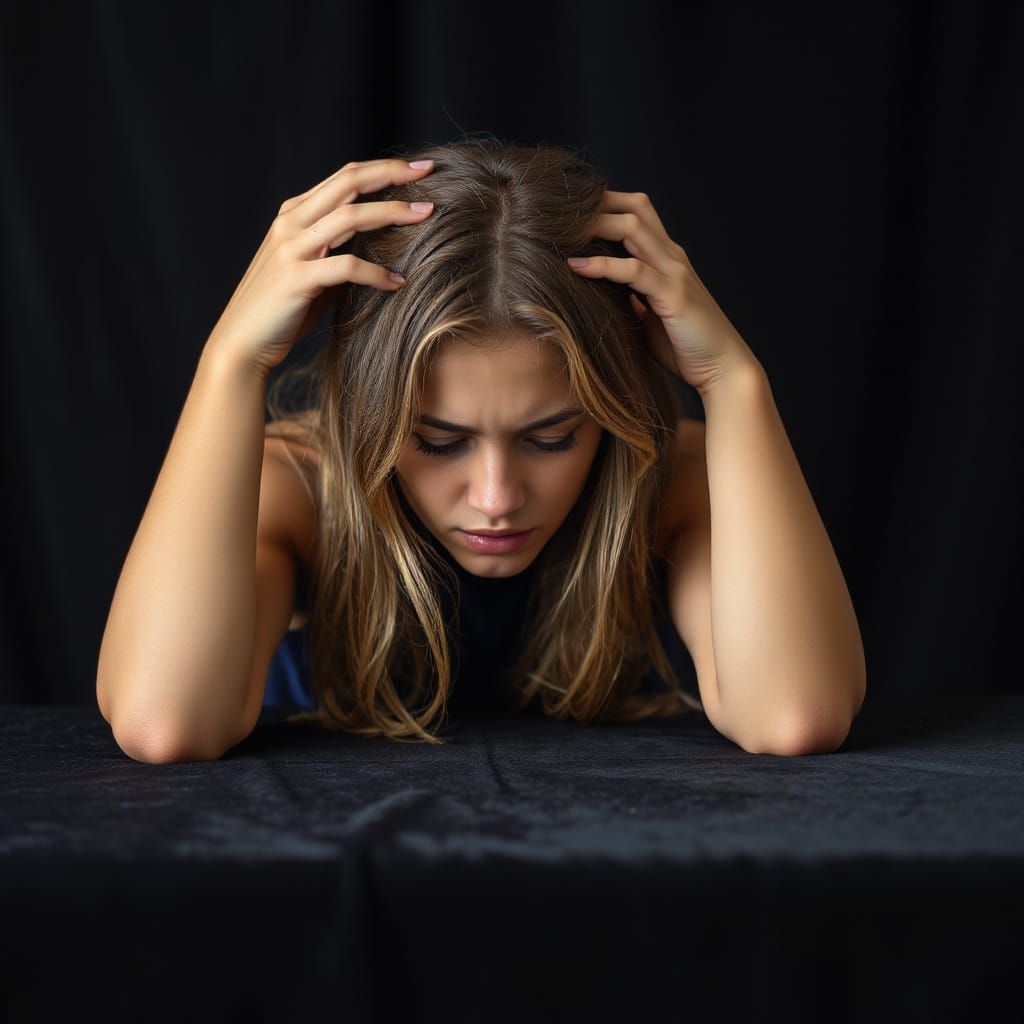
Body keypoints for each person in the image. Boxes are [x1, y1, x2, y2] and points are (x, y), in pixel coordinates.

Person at [96, 136, 707, 762]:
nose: (496, 498)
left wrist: (732, 382)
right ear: (370, 412)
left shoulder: (672, 474)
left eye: (552, 438)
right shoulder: (295, 488)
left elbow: (776, 713)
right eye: (438, 442)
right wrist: (230, 363)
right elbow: (165, 725)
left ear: (611, 410)